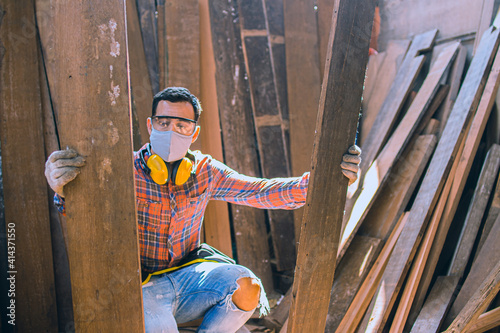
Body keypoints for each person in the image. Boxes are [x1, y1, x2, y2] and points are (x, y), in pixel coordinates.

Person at [45, 87, 361, 332]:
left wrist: (325, 183)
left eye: (181, 125)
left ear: (194, 133)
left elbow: (258, 190)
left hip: (189, 275)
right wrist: (61, 187)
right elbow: (78, 211)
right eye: (163, 122)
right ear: (150, 124)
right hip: (139, 284)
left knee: (247, 287)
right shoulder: (120, 170)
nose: (170, 131)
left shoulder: (205, 172)